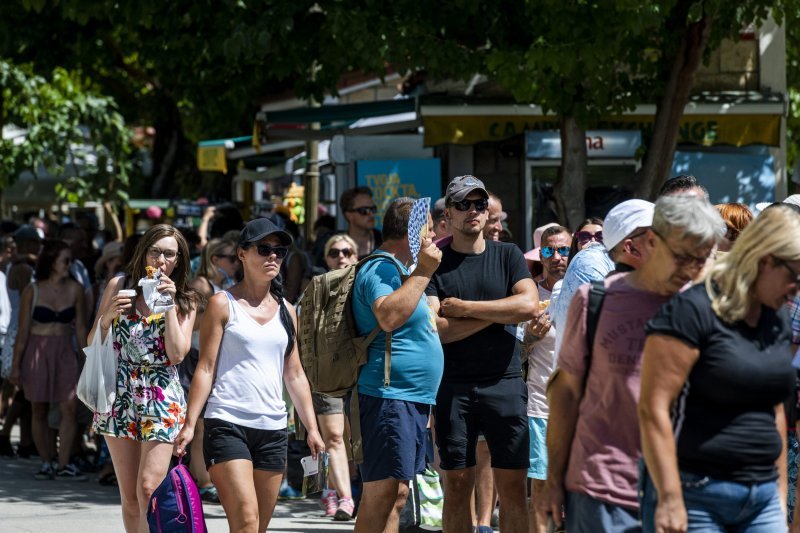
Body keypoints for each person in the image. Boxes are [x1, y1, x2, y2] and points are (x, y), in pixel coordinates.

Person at [541, 195, 723, 532]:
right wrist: (554, 480)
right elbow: (565, 394)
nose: (690, 267)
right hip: (602, 488)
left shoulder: (702, 303)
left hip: (685, 489)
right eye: (681, 254)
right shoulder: (595, 300)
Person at [638, 204, 798, 532]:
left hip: (762, 496)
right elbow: (653, 409)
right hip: (696, 495)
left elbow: (775, 411)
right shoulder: (691, 310)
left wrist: (779, 495)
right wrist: (669, 497)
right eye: (795, 276)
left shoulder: (777, 318)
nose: (797, 288)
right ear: (765, 261)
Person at [173, 218, 324, 533]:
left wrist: (312, 427)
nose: (273, 257)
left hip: (273, 428)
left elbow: (294, 373)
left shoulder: (287, 310)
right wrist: (189, 425)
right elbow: (206, 367)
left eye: (279, 251)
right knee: (246, 521)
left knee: (259, 527)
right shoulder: (221, 303)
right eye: (264, 249)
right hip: (227, 423)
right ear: (242, 254)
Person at [426, 175, 538, 533]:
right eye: (463, 204)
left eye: (479, 204)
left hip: (504, 384)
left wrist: (468, 309)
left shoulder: (508, 254)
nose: (473, 211)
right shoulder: (435, 264)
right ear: (449, 215)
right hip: (453, 387)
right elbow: (436, 330)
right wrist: (499, 314)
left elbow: (529, 304)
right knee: (457, 487)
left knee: (513, 491)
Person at [90, 224, 198, 532]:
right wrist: (108, 316)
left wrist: (169, 308)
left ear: (179, 260)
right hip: (120, 392)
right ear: (144, 253)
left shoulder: (186, 299)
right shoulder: (119, 285)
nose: (161, 260)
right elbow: (92, 342)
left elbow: (177, 354)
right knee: (130, 498)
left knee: (149, 488)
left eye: (169, 254)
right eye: (155, 251)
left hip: (162, 395)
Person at [353, 197, 444, 533]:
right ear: (412, 233)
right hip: (389, 397)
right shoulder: (381, 268)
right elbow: (388, 315)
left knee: (398, 494)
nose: (433, 239)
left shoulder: (400, 271)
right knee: (382, 493)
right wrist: (423, 271)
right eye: (430, 231)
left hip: (408, 399)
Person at [10, 239, 88, 480]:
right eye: (65, 260)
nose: (69, 265)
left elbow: (81, 329)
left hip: (64, 350)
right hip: (37, 349)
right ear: (52, 261)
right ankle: (46, 461)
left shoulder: (75, 289)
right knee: (38, 407)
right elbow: (22, 331)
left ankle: (63, 463)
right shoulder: (32, 290)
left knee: (69, 407)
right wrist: (15, 366)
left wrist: (89, 359)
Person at [520, 224, 571, 533]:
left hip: (580, 407)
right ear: (540, 254)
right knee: (540, 486)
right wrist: (528, 338)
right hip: (540, 405)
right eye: (549, 250)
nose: (556, 257)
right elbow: (515, 358)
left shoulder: (587, 290)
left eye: (563, 249)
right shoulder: (530, 296)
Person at [183, 237, 240, 504]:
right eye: (231, 257)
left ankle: (208, 477)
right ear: (215, 259)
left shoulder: (227, 285)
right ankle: (203, 481)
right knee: (200, 423)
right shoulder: (201, 285)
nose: (235, 262)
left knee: (213, 423)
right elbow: (189, 323)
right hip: (197, 357)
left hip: (218, 359)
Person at [315, 233, 359, 520]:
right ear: (326, 258)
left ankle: (331, 490)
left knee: (350, 439)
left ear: (356, 256)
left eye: (346, 251)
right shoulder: (316, 289)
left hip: (358, 373)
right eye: (334, 252)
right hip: (324, 375)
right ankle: (346, 499)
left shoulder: (365, 286)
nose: (340, 257)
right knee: (332, 437)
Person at [340, 187, 383, 259]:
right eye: (364, 210)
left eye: (373, 209)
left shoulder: (384, 242)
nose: (371, 214)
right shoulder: (338, 247)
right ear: (349, 215)